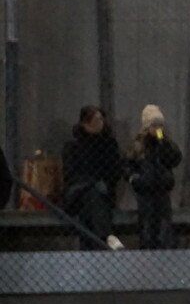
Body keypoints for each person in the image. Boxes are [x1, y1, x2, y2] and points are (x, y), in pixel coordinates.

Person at [62, 105, 125, 250]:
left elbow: (116, 170)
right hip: (79, 192)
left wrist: (103, 182)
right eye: (96, 120)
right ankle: (107, 235)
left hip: (101, 193)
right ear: (86, 123)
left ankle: (92, 247)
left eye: (101, 119)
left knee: (89, 209)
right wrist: (92, 182)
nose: (100, 123)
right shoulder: (73, 146)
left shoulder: (108, 144)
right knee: (91, 194)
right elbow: (70, 173)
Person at [127, 104, 182, 249]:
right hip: (145, 190)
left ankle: (164, 248)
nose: (158, 129)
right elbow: (128, 164)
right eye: (154, 125)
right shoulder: (138, 145)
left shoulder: (164, 143)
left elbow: (175, 159)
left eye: (160, 125)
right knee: (147, 225)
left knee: (164, 225)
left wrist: (164, 144)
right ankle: (147, 249)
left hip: (162, 189)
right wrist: (134, 179)